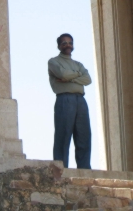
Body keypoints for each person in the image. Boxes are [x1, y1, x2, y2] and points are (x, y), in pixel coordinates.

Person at [48, 33, 92, 169]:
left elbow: (88, 79)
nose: (68, 45)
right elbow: (62, 74)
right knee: (63, 134)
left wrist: (70, 78)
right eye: (64, 43)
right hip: (64, 99)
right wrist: (77, 76)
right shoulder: (53, 62)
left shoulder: (78, 64)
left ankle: (84, 168)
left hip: (80, 100)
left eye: (70, 43)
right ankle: (61, 168)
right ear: (59, 46)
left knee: (84, 136)